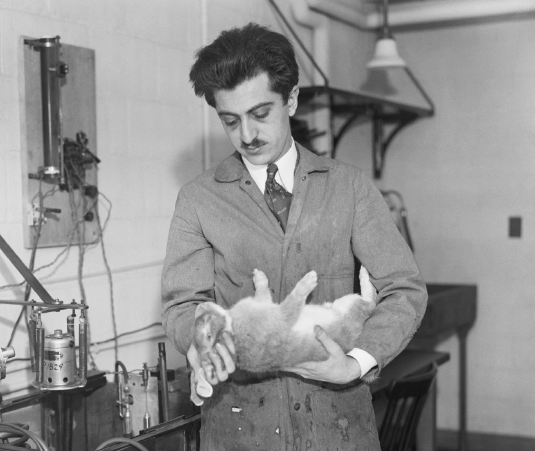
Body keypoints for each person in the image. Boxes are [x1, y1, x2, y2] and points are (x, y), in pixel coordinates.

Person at [161, 23, 427, 450]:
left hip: (339, 426)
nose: (247, 135)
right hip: (241, 427)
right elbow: (182, 304)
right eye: (231, 121)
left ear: (292, 99)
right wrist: (202, 338)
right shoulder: (198, 199)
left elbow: (405, 289)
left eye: (260, 114)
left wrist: (356, 364)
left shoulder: (348, 187)